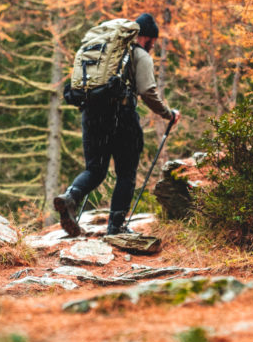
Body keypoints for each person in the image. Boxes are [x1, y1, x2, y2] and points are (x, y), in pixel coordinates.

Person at [53, 13, 180, 236]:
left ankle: (71, 196)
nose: (152, 46)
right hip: (121, 116)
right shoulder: (139, 55)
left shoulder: (104, 52)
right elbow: (147, 91)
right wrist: (168, 114)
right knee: (126, 172)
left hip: (91, 113)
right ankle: (117, 226)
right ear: (147, 38)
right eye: (153, 42)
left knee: (95, 169)